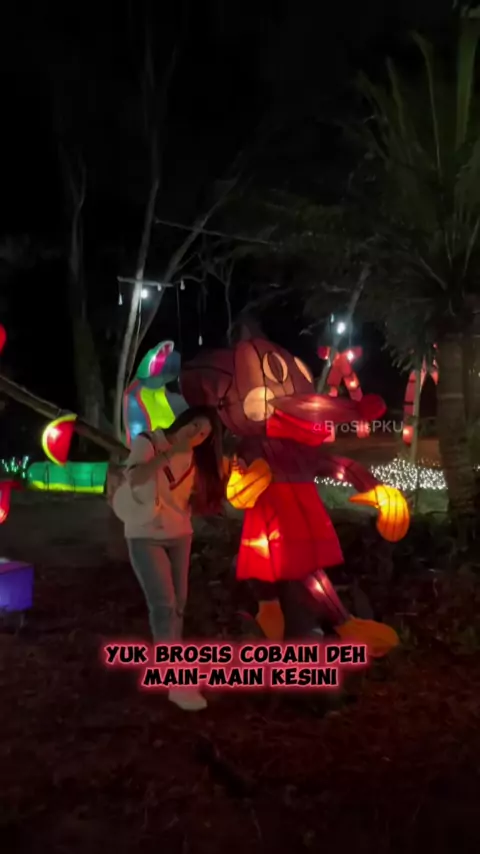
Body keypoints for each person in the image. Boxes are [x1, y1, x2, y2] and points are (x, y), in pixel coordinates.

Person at [116, 406, 225, 711]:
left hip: (180, 536)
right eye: (195, 426)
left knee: (178, 605)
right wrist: (169, 453)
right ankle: (176, 681)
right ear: (184, 421)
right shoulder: (149, 442)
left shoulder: (194, 457)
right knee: (163, 605)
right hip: (145, 534)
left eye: (204, 435)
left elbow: (195, 498)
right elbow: (135, 477)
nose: (196, 435)